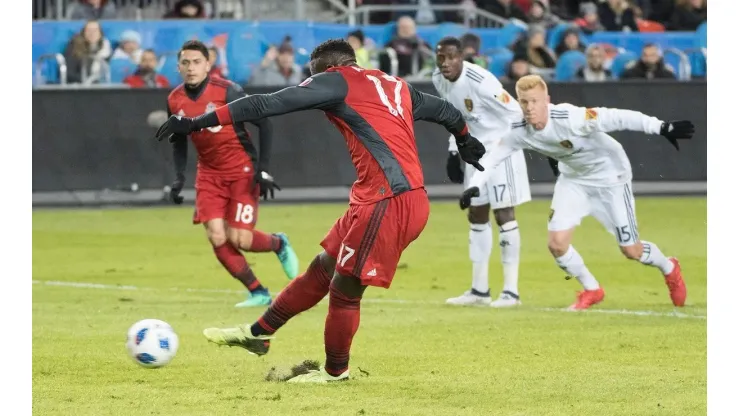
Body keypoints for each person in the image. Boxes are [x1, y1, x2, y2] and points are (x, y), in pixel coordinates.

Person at [154, 39, 486, 383]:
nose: (310, 85)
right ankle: (258, 333)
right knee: (322, 269)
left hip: (389, 201)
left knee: (344, 290)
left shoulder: (335, 79)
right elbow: (447, 112)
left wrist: (196, 122)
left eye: (312, 76)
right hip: (381, 197)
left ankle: (335, 372)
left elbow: (267, 103)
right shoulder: (394, 84)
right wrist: (464, 140)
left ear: (329, 67)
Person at [459, 75, 692, 310]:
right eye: (524, 102)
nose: (529, 108)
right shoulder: (518, 130)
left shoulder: (570, 118)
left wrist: (662, 127)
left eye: (535, 101)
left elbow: (617, 116)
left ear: (546, 100)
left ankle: (669, 268)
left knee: (631, 250)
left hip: (611, 179)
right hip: (574, 181)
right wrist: (475, 185)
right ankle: (592, 289)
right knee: (557, 244)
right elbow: (493, 158)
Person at [162, 40, 299, 308]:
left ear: (208, 64)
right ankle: (258, 292)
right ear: (178, 67)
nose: (191, 68)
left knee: (241, 239)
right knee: (216, 235)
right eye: (185, 63)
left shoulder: (228, 91)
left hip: (241, 169)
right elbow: (178, 140)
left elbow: (264, 123)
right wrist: (178, 178)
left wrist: (264, 169)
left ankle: (278, 244)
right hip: (209, 174)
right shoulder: (174, 99)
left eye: (197, 62)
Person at [434, 37, 546, 308]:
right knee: (476, 213)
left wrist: (511, 147)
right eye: (441, 57)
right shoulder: (438, 78)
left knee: (504, 214)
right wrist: (453, 149)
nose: (446, 63)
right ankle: (479, 290)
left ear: (462, 56)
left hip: (501, 149)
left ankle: (511, 292)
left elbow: (514, 112)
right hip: (474, 153)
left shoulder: (481, 80)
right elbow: (454, 115)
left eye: (451, 57)